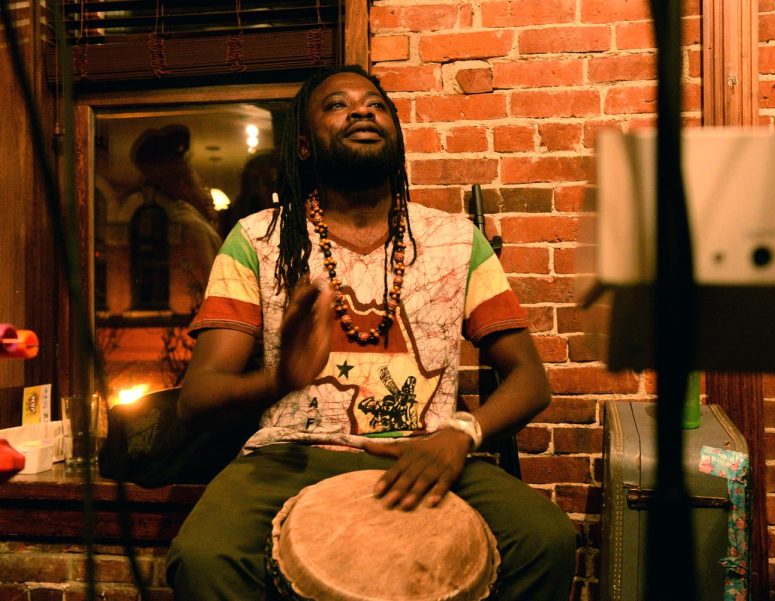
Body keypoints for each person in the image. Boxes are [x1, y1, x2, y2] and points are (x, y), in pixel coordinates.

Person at [166, 65, 577, 600]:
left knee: (547, 538)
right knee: (204, 557)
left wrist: (461, 435)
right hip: (290, 454)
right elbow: (196, 397)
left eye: (376, 104)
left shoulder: (456, 240)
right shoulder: (257, 240)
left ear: (395, 132)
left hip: (426, 452)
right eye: (337, 105)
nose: (362, 110)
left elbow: (530, 379)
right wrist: (280, 379)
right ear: (306, 146)